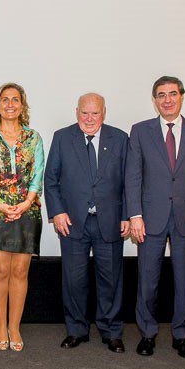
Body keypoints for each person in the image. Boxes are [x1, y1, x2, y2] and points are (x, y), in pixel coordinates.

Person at [125, 76, 185, 359]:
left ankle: (181, 335)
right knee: (148, 279)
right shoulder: (140, 131)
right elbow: (133, 176)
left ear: (182, 97)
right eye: (161, 95)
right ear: (155, 100)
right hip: (150, 218)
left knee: (184, 279)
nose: (167, 100)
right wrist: (135, 214)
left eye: (172, 94)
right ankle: (147, 333)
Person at [45, 93, 130, 352]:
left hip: (111, 221)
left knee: (111, 280)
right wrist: (57, 212)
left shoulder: (120, 138)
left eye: (95, 113)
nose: (89, 118)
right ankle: (76, 329)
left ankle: (111, 331)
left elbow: (130, 181)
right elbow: (51, 179)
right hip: (72, 223)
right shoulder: (62, 137)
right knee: (74, 280)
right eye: (85, 112)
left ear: (104, 112)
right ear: (76, 112)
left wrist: (127, 214)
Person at [0, 83, 45, 352]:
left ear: (22, 105)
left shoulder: (34, 138)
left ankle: (15, 326)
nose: (9, 104)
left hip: (28, 212)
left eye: (15, 99)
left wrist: (26, 202)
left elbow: (38, 173)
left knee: (20, 271)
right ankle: (0, 325)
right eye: (4, 100)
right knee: (1, 271)